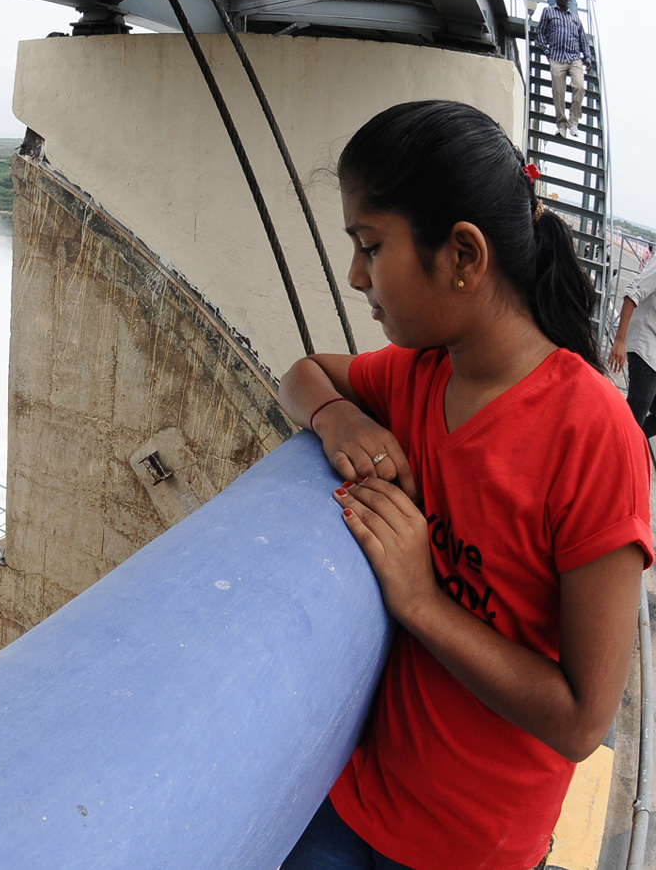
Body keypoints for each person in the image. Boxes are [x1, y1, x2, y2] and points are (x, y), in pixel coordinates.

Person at [277, 100, 652, 870]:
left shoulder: (591, 435)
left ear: (464, 257)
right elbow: (304, 373)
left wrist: (421, 601)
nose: (356, 276)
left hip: (469, 850)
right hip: (350, 801)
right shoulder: (423, 373)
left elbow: (583, 720)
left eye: (371, 246)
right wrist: (339, 420)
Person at [609, 250, 656, 437]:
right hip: (644, 344)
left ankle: (630, 447)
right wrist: (620, 341)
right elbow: (632, 294)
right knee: (637, 410)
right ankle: (622, 450)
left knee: (636, 424)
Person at [536, 0, 593, 139]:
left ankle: (573, 122)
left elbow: (583, 40)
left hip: (574, 58)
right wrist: (547, 51)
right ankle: (561, 125)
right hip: (557, 57)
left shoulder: (575, 18)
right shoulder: (548, 12)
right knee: (558, 92)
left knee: (579, 86)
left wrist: (587, 57)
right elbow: (540, 32)